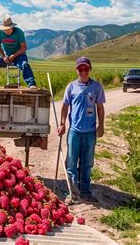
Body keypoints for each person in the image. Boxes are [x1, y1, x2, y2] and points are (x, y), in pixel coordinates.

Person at [58, 57, 105, 204]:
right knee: (71, 163)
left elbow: (100, 107)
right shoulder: (71, 87)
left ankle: (85, 192)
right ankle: (73, 194)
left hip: (90, 132)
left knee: (87, 164)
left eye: (86, 69)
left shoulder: (97, 87)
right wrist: (62, 124)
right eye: (80, 69)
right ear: (76, 70)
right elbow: (65, 107)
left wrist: (101, 125)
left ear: (90, 69)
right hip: (74, 131)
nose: (83, 72)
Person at [0, 17, 37, 89]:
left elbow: (24, 48)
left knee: (25, 64)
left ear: (12, 27)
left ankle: (31, 84)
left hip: (19, 55)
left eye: (8, 29)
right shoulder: (0, 33)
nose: (7, 31)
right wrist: (3, 57)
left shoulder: (19, 32)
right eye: (5, 29)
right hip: (7, 56)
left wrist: (14, 56)